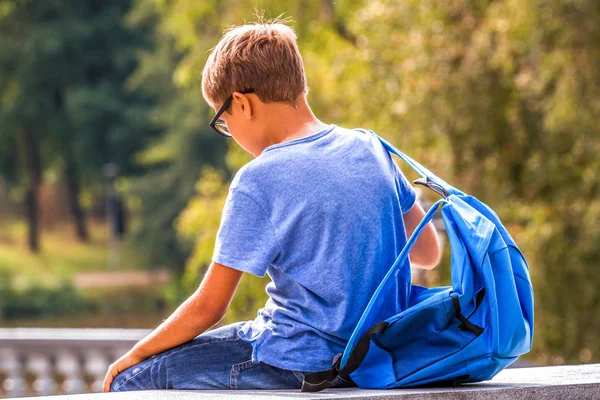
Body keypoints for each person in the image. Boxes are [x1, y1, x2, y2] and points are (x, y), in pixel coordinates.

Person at [103, 17, 441, 392]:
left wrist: (136, 353)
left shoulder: (258, 179)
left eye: (224, 121)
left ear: (243, 104)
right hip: (374, 356)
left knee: (130, 382)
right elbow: (428, 252)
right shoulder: (371, 147)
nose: (229, 134)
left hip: (297, 360)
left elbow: (209, 307)